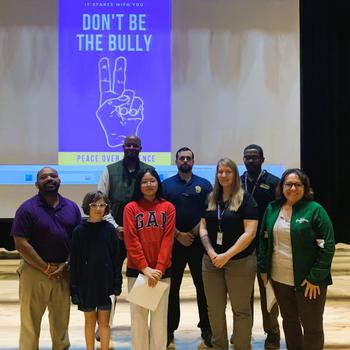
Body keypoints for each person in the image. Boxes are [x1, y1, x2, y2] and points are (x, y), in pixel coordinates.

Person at [258, 168, 335, 350]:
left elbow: (328, 245)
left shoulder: (315, 210)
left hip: (309, 281)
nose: (293, 188)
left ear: (305, 187)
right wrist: (263, 269)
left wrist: (316, 277)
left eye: (297, 184)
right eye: (288, 184)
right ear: (282, 187)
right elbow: (263, 239)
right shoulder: (272, 208)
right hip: (279, 278)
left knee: (312, 326)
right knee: (289, 321)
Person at [11, 167, 81, 350]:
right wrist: (45, 268)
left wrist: (67, 264)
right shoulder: (27, 209)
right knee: (30, 324)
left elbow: (78, 241)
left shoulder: (72, 207)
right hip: (34, 272)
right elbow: (21, 243)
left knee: (61, 325)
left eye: (53, 176)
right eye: (44, 177)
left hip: (63, 273)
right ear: (36, 184)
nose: (49, 179)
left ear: (59, 181)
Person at [97, 135, 154, 340]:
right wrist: (116, 227)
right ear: (123, 147)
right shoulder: (109, 170)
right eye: (128, 145)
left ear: (140, 148)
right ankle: (104, 324)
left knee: (143, 278)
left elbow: (154, 200)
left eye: (135, 145)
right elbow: (100, 201)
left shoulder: (148, 171)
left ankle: (143, 325)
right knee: (111, 280)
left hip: (142, 237)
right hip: (115, 236)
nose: (131, 148)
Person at [200, 158, 259, 350]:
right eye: (220, 172)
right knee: (215, 309)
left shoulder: (246, 198)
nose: (224, 175)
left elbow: (250, 233)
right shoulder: (210, 197)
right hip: (211, 262)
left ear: (235, 174)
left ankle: (242, 346)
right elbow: (202, 229)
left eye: (228, 172)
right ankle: (219, 346)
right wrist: (211, 251)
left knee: (241, 309)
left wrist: (227, 255)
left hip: (240, 261)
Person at [162, 147, 212, 348]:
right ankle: (169, 330)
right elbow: (162, 213)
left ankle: (207, 329)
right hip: (173, 244)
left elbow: (209, 211)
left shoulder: (204, 184)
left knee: (204, 288)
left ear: (193, 161)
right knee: (172, 289)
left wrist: (192, 233)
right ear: (176, 161)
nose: (185, 161)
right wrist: (177, 234)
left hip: (198, 244)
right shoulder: (166, 185)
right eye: (181, 158)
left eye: (188, 158)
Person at [123, 168, 176, 350]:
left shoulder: (168, 207)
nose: (149, 185)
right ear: (139, 185)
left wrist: (159, 268)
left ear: (158, 183)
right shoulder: (131, 208)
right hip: (137, 272)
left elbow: (168, 239)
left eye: (152, 181)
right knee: (138, 319)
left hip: (162, 272)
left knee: (160, 320)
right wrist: (145, 268)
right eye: (144, 181)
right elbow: (131, 240)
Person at [239, 144, 280, 349]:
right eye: (247, 157)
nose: (251, 160)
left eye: (255, 157)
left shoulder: (274, 183)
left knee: (268, 293)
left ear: (263, 159)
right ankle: (243, 332)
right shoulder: (237, 183)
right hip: (243, 247)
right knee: (243, 294)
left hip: (267, 246)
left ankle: (272, 333)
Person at [70, 191, 121, 350]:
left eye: (102, 205)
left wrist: (116, 282)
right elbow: (75, 262)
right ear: (87, 207)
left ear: (106, 207)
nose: (98, 208)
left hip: (105, 284)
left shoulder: (110, 230)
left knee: (105, 323)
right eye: (94, 205)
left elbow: (115, 260)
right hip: (87, 284)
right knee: (89, 322)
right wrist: (75, 289)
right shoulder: (79, 231)